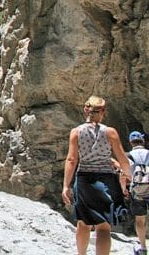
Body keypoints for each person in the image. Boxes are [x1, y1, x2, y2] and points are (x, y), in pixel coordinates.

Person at [62, 95, 131, 255]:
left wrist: (66, 185)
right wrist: (129, 177)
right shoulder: (110, 132)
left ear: (86, 110)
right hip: (106, 181)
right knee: (103, 226)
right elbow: (123, 160)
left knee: (83, 223)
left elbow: (72, 160)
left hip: (84, 179)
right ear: (103, 111)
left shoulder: (76, 132)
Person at [128, 131, 149, 255]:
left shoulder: (129, 155)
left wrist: (123, 189)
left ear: (131, 142)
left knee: (140, 220)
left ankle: (143, 249)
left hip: (137, 190)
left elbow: (124, 174)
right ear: (143, 141)